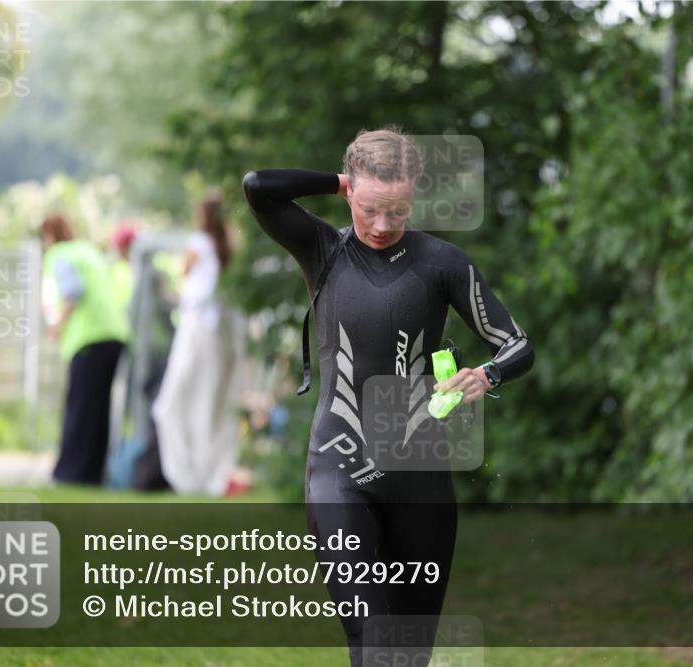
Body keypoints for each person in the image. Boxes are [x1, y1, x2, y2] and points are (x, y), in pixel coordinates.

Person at [243, 127, 533, 666]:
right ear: (349, 191)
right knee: (373, 633)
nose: (382, 226)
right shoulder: (322, 248)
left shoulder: (442, 262)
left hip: (419, 474)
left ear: (414, 195)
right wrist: (336, 181)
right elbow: (260, 187)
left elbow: (517, 346)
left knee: (408, 652)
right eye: (371, 208)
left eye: (397, 211)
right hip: (338, 467)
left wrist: (487, 374)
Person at [152, 192, 249, 496]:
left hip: (198, 331)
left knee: (174, 403)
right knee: (210, 405)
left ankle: (189, 474)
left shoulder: (200, 244)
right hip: (220, 334)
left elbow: (183, 274)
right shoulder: (228, 248)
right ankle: (207, 473)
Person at [40, 213, 129, 485]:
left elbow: (73, 291)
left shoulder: (59, 254)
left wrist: (57, 325)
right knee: (99, 408)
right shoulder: (88, 251)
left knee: (79, 406)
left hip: (88, 338)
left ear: (49, 235)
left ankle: (70, 473)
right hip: (115, 335)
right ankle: (92, 473)